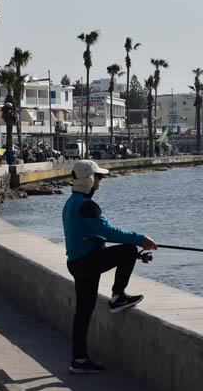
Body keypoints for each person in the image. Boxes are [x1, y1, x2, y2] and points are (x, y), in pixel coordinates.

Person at [62, 159, 158, 375]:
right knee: (129, 251)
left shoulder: (72, 202)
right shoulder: (87, 205)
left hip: (76, 262)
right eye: (98, 177)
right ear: (88, 179)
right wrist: (140, 239)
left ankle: (78, 359)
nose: (100, 181)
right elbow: (109, 231)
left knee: (83, 312)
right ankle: (117, 297)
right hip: (87, 262)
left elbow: (91, 232)